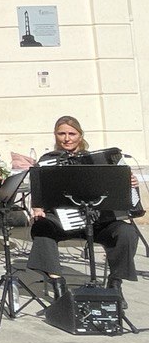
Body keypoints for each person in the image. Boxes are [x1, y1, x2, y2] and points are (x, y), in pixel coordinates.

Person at [26, 115, 140, 304]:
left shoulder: (99, 160)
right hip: (62, 221)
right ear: (55, 136)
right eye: (61, 133)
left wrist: (130, 184)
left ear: (80, 135)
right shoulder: (47, 161)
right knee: (41, 227)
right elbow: (39, 194)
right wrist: (37, 209)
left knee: (127, 232)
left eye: (72, 133)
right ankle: (58, 285)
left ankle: (115, 284)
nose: (67, 138)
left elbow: (118, 192)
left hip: (98, 221)